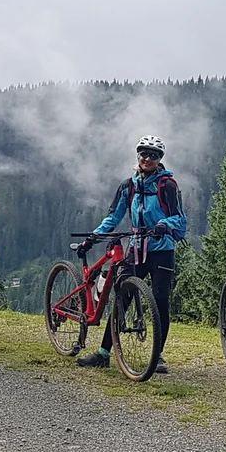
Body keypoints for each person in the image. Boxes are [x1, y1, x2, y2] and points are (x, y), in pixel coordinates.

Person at [78, 136, 186, 372]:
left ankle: (157, 356)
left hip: (162, 249)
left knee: (160, 301)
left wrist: (164, 224)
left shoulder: (167, 185)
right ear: (137, 156)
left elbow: (180, 217)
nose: (147, 158)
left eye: (153, 155)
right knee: (122, 299)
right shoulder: (128, 186)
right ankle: (104, 353)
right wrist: (93, 237)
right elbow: (114, 217)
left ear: (160, 160)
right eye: (143, 154)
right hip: (136, 248)